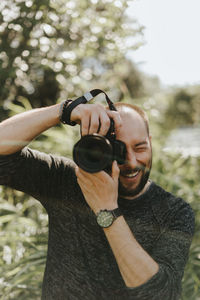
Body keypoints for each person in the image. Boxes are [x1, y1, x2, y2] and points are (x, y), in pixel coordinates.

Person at [0, 96, 194, 300]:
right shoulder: (68, 181)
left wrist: (107, 209)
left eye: (140, 147)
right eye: (119, 150)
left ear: (150, 142)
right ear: (101, 147)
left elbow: (160, 294)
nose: (130, 161)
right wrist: (64, 110)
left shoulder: (174, 211)